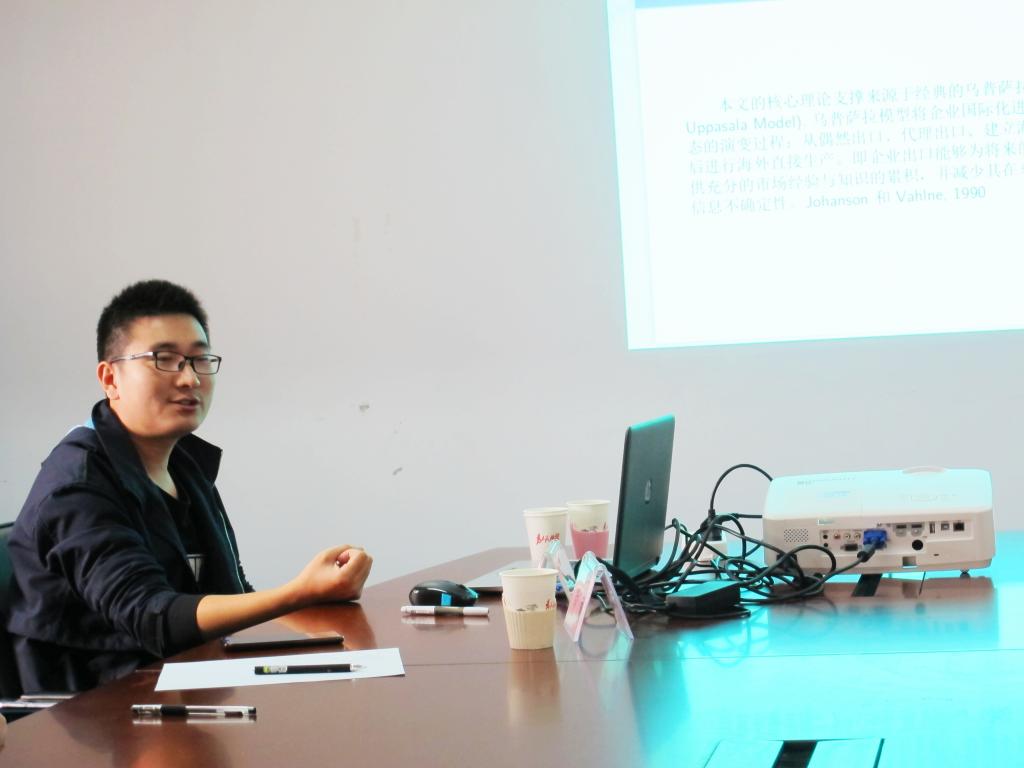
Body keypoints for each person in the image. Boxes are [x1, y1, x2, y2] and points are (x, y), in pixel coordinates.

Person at [4, 280, 372, 693]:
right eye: (164, 359)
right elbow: (154, 618)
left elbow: (230, 592)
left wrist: (315, 602)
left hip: (185, 691)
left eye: (199, 360)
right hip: (96, 714)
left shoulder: (184, 465)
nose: (189, 378)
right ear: (110, 378)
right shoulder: (77, 487)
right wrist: (297, 594)